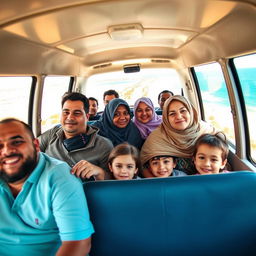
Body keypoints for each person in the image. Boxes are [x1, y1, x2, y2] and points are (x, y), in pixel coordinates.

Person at [0, 118, 94, 256]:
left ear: (36, 145)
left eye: (17, 142)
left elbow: (78, 243)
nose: (7, 151)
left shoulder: (59, 177)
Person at [39, 92, 113, 180]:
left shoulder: (104, 145)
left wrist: (99, 172)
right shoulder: (52, 135)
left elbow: (112, 181)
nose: (70, 117)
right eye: (66, 112)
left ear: (87, 116)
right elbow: (31, 151)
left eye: (77, 113)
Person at [140, 95, 216, 176]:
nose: (179, 117)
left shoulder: (205, 130)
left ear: (190, 112)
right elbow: (143, 166)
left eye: (183, 111)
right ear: (166, 118)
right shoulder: (156, 138)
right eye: (172, 114)